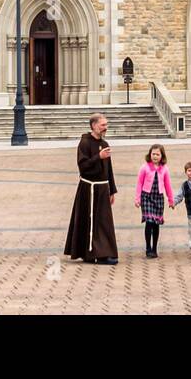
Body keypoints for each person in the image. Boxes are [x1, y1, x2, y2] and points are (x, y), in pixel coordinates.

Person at [63, 113, 119, 265]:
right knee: (89, 221)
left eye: (106, 125)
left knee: (103, 222)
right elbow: (83, 166)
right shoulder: (85, 143)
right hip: (89, 188)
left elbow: (109, 168)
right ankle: (90, 253)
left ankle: (105, 252)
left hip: (102, 188)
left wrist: (112, 189)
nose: (105, 128)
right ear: (94, 126)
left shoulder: (105, 143)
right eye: (102, 125)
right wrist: (97, 157)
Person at [134, 144, 175, 258]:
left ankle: (154, 248)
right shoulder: (145, 167)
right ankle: (148, 247)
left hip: (159, 198)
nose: (155, 156)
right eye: (153, 154)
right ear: (149, 154)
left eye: (157, 154)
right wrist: (137, 199)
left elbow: (168, 185)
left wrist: (171, 200)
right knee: (149, 222)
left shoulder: (164, 169)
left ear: (162, 156)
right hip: (146, 197)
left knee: (156, 223)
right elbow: (139, 183)